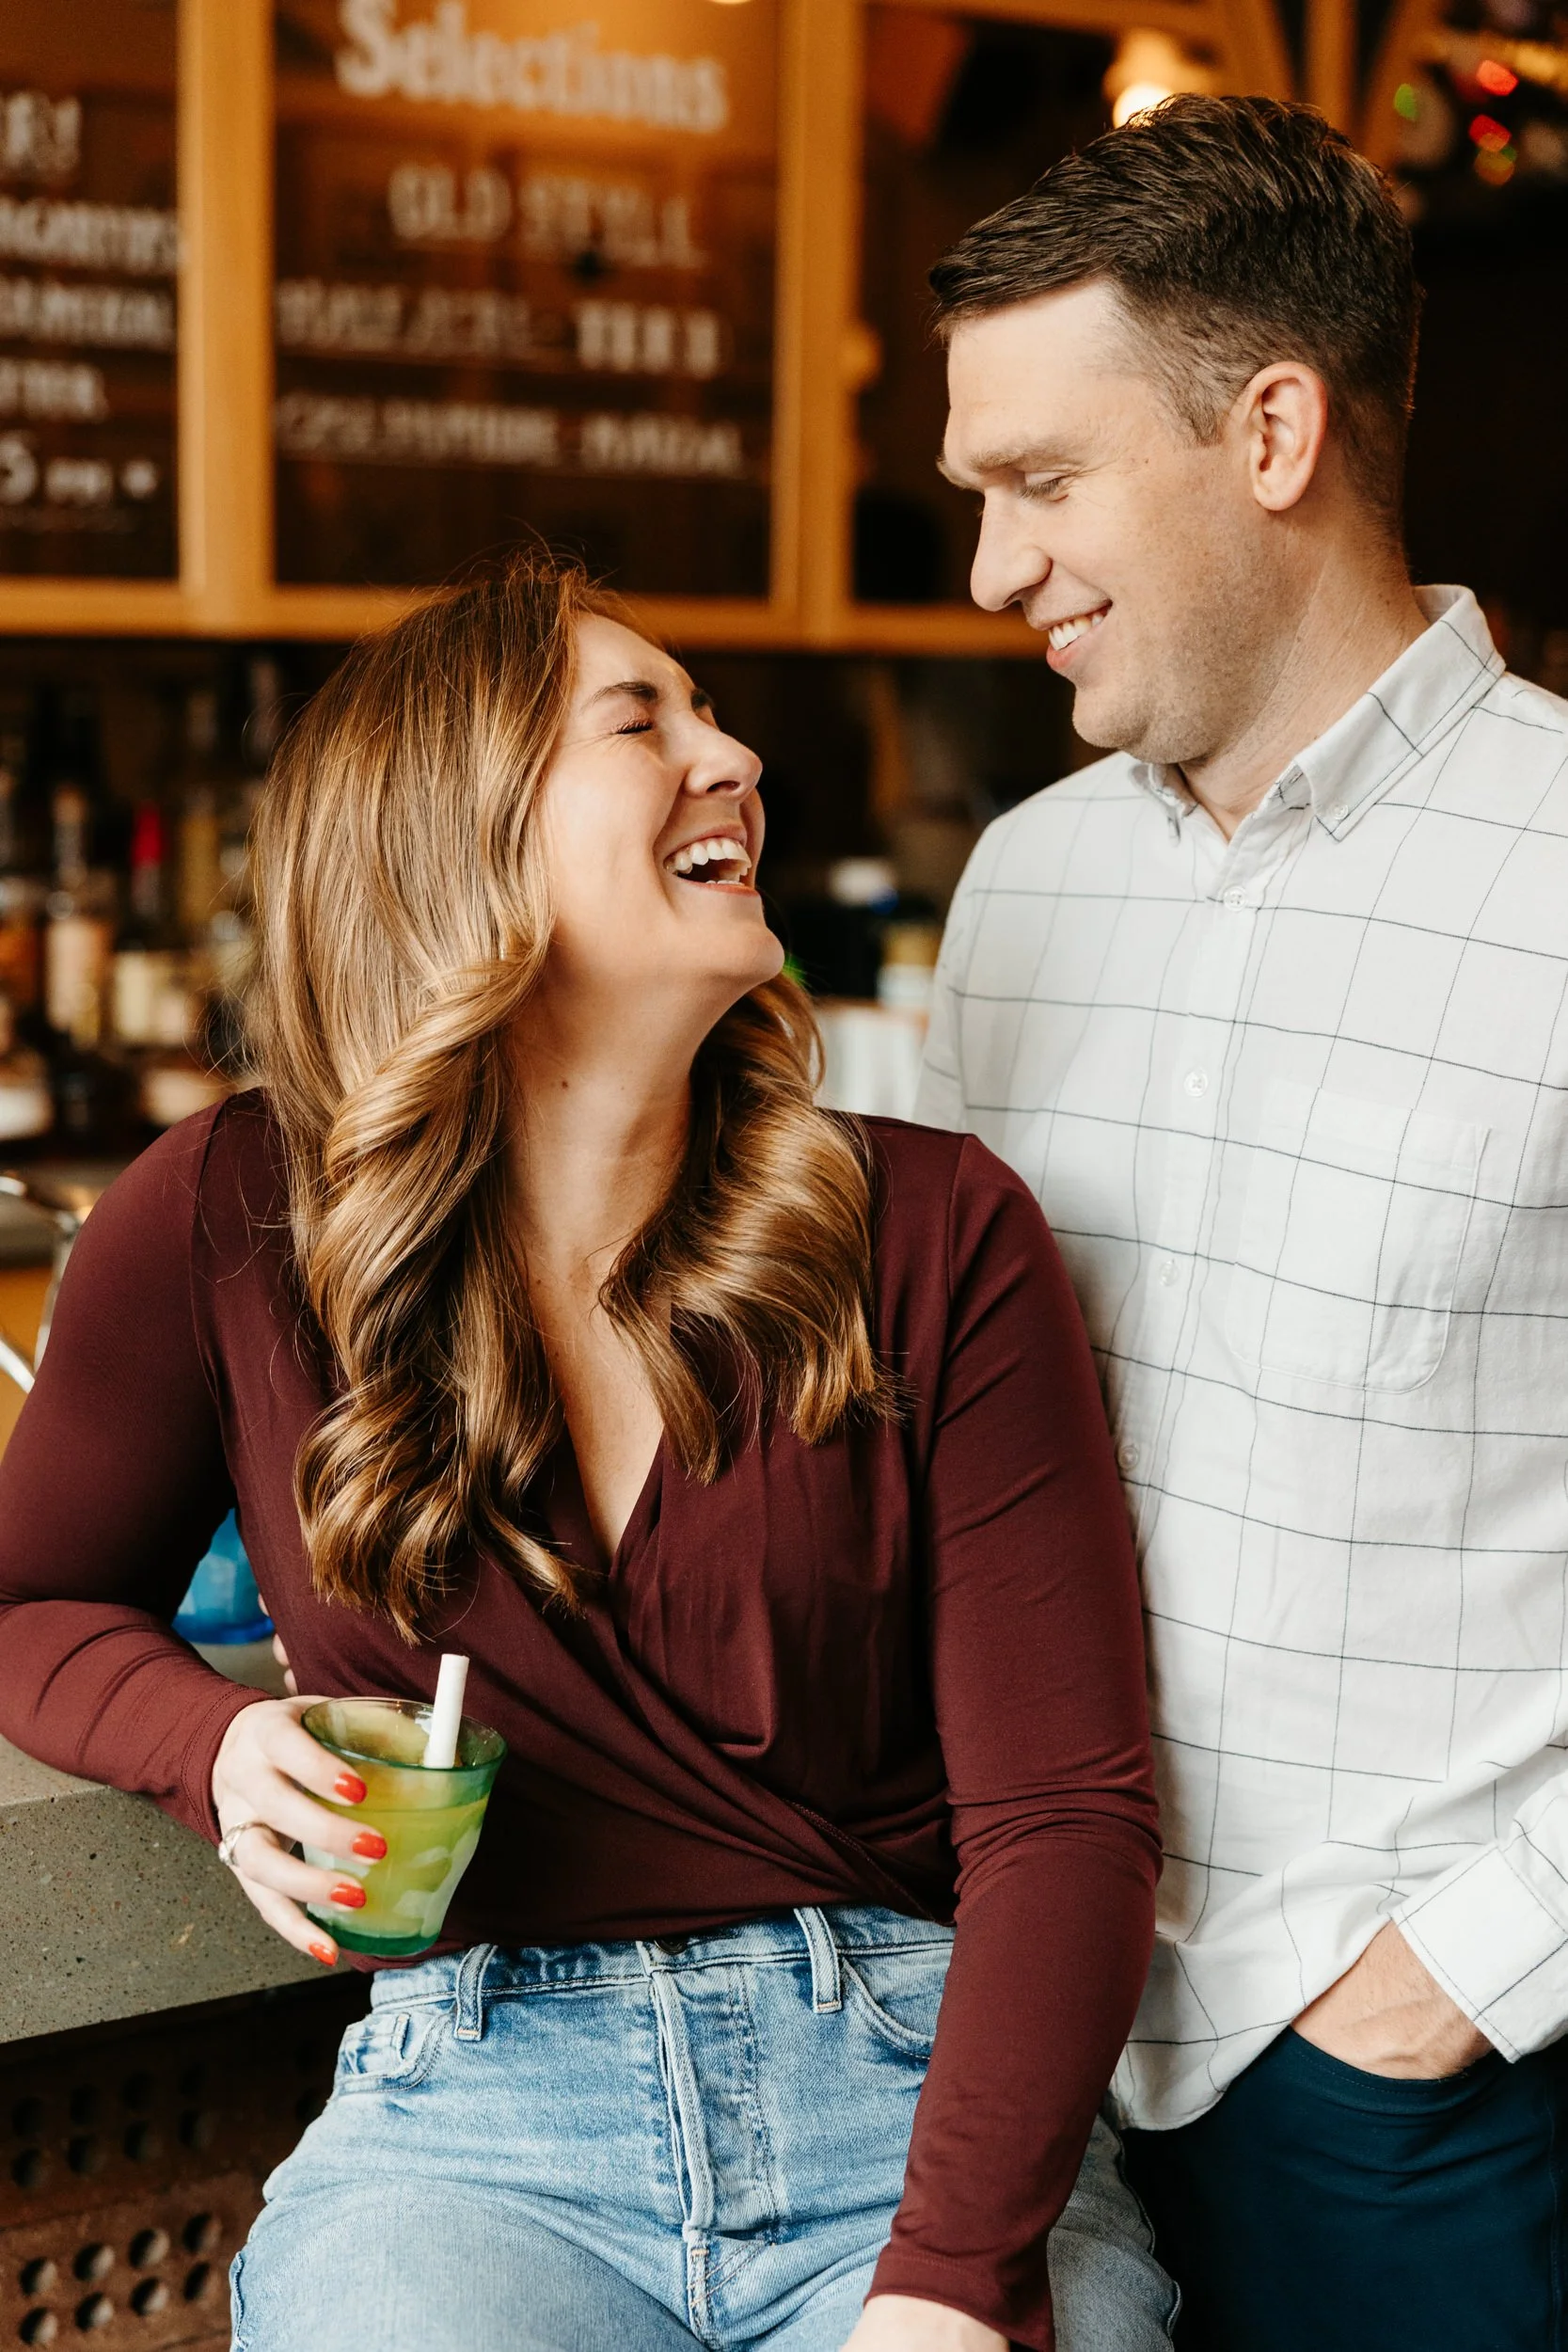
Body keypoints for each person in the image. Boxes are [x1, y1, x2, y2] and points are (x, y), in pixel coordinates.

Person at [0, 557, 1171, 2352]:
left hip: (913, 2090)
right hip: (476, 2122)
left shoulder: (938, 1233)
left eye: (712, 712)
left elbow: (1063, 1820)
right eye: (643, 723)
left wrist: (952, 2279)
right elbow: (30, 1601)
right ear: (453, 836)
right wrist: (210, 1743)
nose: (736, 758)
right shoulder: (226, 1212)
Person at [917, 90, 1568, 2352]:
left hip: (1423, 2085)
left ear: (1269, 431)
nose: (990, 568)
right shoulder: (1020, 890)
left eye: (1039, 480)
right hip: (1032, 2036)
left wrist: (1465, 1967)